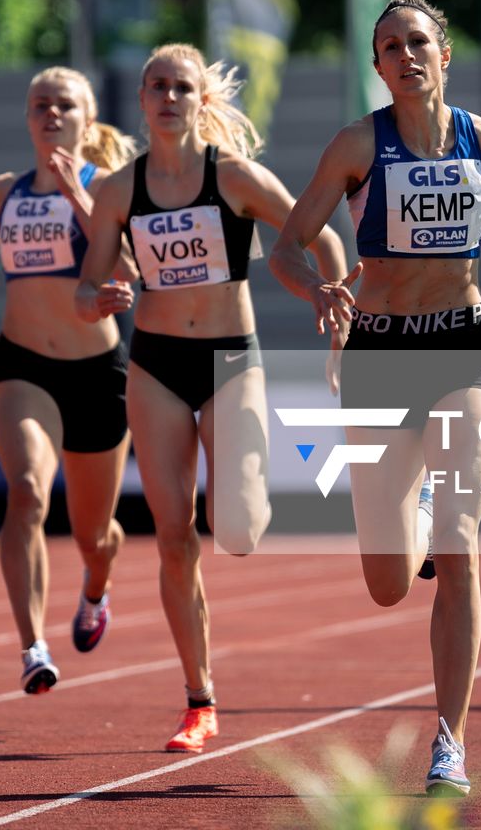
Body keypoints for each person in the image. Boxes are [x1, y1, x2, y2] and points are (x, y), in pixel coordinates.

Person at [270, 0, 481, 797]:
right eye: (389, 45)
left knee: (460, 546)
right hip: (377, 359)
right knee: (388, 582)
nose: (405, 55)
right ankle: (422, 495)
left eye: (418, 42)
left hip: (462, 352)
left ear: (445, 53)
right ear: (377, 64)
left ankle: (451, 743)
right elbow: (287, 247)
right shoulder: (358, 144)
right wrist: (321, 288)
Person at [76, 43, 349, 755]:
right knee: (172, 538)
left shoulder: (234, 179)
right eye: (157, 86)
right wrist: (98, 296)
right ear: (141, 100)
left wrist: (336, 310)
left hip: (231, 360)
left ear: (202, 101)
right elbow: (85, 288)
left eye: (182, 87)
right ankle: (199, 700)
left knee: (237, 530)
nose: (169, 97)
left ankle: (251, 486)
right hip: (157, 365)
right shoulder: (116, 191)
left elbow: (320, 239)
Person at [0, 67, 139, 696]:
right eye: (40, 105)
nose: (51, 114)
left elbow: (136, 266)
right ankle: (32, 646)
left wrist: (76, 193)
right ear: (27, 118)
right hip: (21, 364)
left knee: (94, 535)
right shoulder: (2, 194)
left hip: (95, 373)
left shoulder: (110, 188)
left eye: (64, 105)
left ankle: (95, 586)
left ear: (88, 118)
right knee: (27, 493)